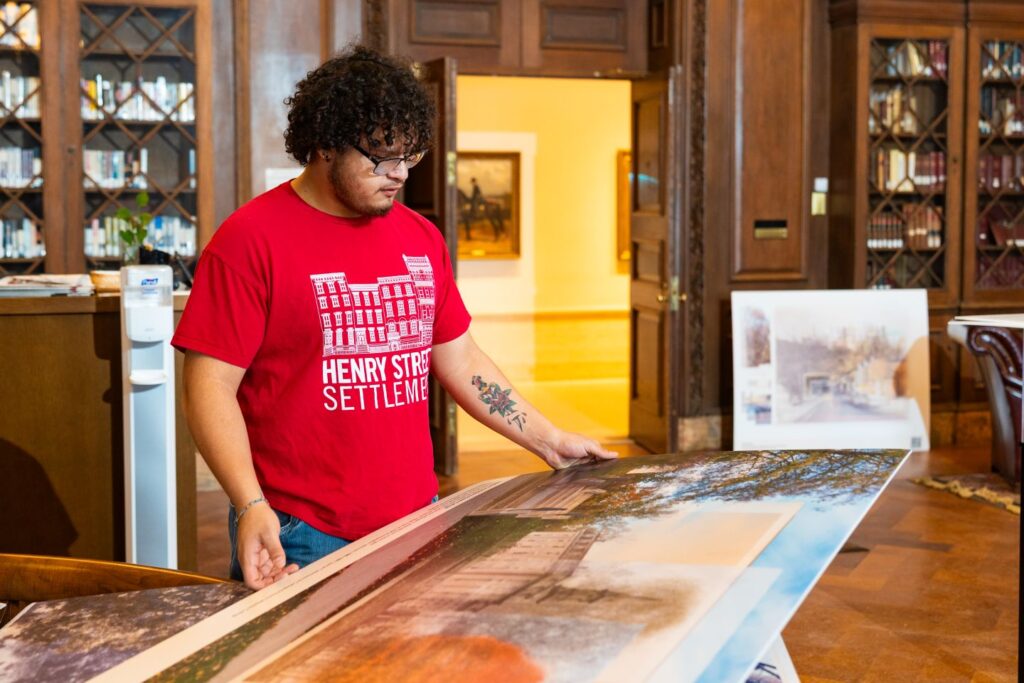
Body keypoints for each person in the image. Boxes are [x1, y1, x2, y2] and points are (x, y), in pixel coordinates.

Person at [173, 45, 617, 591]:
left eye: (411, 156)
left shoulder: (420, 238)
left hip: (417, 518)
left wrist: (549, 440)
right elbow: (207, 389)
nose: (400, 174)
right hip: (302, 533)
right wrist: (249, 504)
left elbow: (460, 357)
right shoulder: (249, 241)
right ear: (325, 143)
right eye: (382, 158)